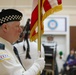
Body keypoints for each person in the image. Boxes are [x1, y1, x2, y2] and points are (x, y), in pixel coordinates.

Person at [0, 9, 45, 75]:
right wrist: (37, 66)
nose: (21, 30)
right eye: (17, 26)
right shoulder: (1, 51)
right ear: (5, 28)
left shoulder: (8, 48)